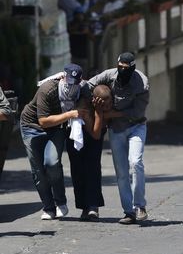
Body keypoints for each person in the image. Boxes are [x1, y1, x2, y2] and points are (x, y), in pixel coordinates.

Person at [88, 52, 150, 225]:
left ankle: (140, 206)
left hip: (136, 126)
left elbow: (136, 112)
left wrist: (109, 113)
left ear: (133, 68)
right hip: (116, 129)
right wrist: (96, 102)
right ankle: (129, 212)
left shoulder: (142, 83)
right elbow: (89, 84)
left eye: (126, 68)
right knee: (121, 172)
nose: (122, 70)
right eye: (120, 67)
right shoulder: (109, 75)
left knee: (135, 162)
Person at [20, 64, 86, 220]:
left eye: (74, 82)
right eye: (68, 80)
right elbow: (43, 121)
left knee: (51, 163)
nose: (70, 86)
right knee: (38, 171)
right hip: (32, 127)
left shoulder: (81, 88)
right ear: (63, 76)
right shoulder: (47, 89)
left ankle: (60, 202)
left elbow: (91, 89)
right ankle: (49, 208)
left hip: (56, 127)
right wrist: (70, 114)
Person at [66, 84, 112, 221]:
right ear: (95, 100)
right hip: (78, 134)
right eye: (104, 105)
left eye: (109, 103)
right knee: (78, 170)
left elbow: (109, 117)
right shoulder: (84, 106)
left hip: (94, 134)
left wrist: (107, 112)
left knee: (93, 169)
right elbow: (95, 134)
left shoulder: (108, 100)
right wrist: (99, 111)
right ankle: (84, 207)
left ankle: (93, 206)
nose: (108, 106)